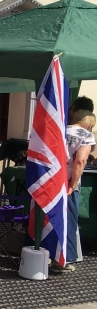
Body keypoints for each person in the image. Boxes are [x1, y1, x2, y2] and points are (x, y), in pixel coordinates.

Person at [57, 110, 96, 273]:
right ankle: (63, 260)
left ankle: (46, 254)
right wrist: (72, 185)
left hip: (54, 179)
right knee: (68, 220)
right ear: (90, 124)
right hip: (69, 181)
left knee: (52, 218)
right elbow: (80, 161)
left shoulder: (60, 129)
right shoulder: (86, 135)